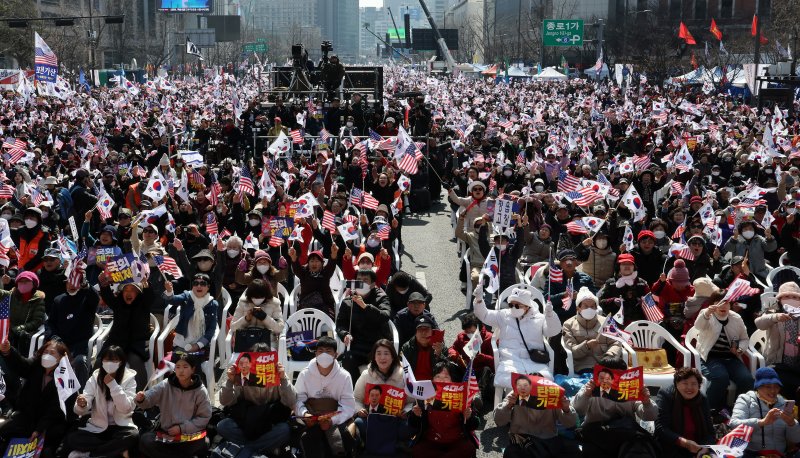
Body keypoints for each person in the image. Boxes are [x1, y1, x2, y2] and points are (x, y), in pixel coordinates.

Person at [217, 343, 295, 458]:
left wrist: (283, 379)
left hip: (270, 423)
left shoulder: (278, 372)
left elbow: (291, 401)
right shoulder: (242, 373)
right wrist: (230, 380)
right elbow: (225, 401)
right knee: (223, 426)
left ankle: (246, 450)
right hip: (246, 422)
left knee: (285, 430)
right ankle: (260, 450)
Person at [473, 285, 560, 386]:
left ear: (527, 306)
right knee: (511, 380)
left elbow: (553, 331)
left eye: (517, 305)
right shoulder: (504, 315)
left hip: (534, 361)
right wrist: (479, 300)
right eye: (511, 305)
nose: (513, 308)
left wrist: (550, 316)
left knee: (543, 381)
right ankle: (509, 401)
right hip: (510, 360)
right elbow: (485, 315)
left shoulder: (539, 318)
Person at [0, 339, 74, 457]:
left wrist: (39, 429)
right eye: (45, 352)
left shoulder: (68, 378)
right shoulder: (36, 365)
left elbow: (56, 410)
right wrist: (9, 351)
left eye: (52, 353)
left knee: (46, 452)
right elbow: (22, 364)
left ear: (61, 358)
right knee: (5, 433)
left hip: (51, 424)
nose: (47, 355)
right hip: (28, 416)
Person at [573, 356, 659, 457]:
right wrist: (586, 394)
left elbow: (651, 416)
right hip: (597, 434)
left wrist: (646, 402)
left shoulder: (631, 388)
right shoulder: (592, 387)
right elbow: (577, 409)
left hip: (624, 434)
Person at [66, 345, 139, 458]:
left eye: (114, 360)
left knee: (132, 436)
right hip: (98, 427)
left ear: (121, 362)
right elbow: (83, 404)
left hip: (120, 427)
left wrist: (113, 385)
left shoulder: (129, 378)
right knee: (72, 439)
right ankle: (115, 450)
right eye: (106, 359)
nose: (109, 363)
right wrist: (82, 404)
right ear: (102, 361)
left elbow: (126, 408)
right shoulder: (95, 377)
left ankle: (90, 454)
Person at [135, 352, 212, 458]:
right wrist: (142, 399)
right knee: (146, 440)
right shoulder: (166, 384)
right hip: (166, 433)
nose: (181, 370)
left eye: (185, 367)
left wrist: (181, 428)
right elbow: (150, 398)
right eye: (178, 367)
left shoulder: (200, 391)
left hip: (188, 435)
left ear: (193, 369)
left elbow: (204, 417)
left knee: (203, 442)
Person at [292, 336, 357, 458]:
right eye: (320, 351)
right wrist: (305, 414)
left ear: (335, 354)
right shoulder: (305, 374)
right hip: (311, 418)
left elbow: (348, 407)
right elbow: (298, 399)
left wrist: (332, 420)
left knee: (341, 441)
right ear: (315, 354)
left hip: (334, 417)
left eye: (328, 351)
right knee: (309, 440)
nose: (324, 355)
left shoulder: (344, 376)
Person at [690, 298, 754, 410]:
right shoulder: (706, 314)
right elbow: (698, 326)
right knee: (720, 378)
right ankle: (709, 412)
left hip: (731, 358)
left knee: (747, 379)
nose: (723, 306)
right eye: (719, 302)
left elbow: (744, 339)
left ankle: (739, 410)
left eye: (727, 303)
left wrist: (739, 350)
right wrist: (707, 313)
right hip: (709, 357)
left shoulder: (736, 318)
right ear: (713, 304)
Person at [494, 375, 579, 458]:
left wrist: (566, 409)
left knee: (574, 450)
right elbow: (498, 420)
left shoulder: (551, 394)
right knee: (512, 453)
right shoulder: (515, 393)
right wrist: (508, 405)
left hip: (548, 441)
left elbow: (571, 423)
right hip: (523, 441)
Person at [409, 361, 479, 458]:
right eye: (438, 376)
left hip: (456, 441)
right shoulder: (423, 395)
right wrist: (415, 415)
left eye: (446, 377)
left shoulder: (463, 396)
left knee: (468, 449)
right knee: (417, 451)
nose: (441, 380)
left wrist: (469, 416)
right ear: (432, 379)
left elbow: (475, 424)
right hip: (430, 441)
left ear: (452, 380)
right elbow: (412, 424)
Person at [97, 273, 153, 390]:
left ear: (138, 293)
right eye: (126, 289)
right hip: (116, 342)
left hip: (136, 344)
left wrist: (146, 284)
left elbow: (150, 295)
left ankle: (142, 397)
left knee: (135, 361)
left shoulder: (144, 303)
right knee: (100, 361)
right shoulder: (118, 303)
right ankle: (95, 393)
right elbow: (107, 296)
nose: (128, 293)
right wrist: (103, 283)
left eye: (132, 290)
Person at [336, 269, 392, 383]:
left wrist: (365, 307)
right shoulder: (347, 302)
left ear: (372, 284)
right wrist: (345, 334)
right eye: (358, 280)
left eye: (365, 280)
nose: (361, 283)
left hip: (377, 344)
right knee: (347, 360)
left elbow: (385, 316)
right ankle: (356, 390)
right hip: (357, 345)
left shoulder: (382, 297)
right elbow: (341, 324)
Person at [729, 367, 800, 458]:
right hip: (752, 454)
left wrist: (792, 424)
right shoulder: (746, 399)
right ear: (758, 387)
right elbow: (734, 424)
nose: (773, 391)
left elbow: (796, 439)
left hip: (780, 455)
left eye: (776, 386)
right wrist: (762, 422)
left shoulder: (783, 404)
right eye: (768, 386)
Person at [352, 340, 412, 443]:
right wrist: (359, 410)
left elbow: (411, 401)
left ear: (393, 356)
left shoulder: (404, 375)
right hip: (373, 420)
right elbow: (356, 399)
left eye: (386, 353)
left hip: (395, 420)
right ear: (374, 357)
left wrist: (406, 411)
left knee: (408, 426)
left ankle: (395, 446)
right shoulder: (366, 374)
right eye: (378, 353)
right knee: (359, 423)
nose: (382, 357)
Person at [45, 273, 98, 385]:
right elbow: (50, 323)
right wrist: (54, 337)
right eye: (69, 282)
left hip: (80, 345)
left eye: (75, 282)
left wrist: (85, 284)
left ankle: (82, 397)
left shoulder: (87, 297)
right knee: (45, 359)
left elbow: (95, 299)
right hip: (60, 344)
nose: (71, 285)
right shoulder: (59, 300)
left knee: (79, 362)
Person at [654, 367, 715, 458]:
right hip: (671, 448)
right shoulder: (666, 396)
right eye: (685, 383)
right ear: (676, 384)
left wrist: (704, 448)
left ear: (699, 385)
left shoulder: (702, 399)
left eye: (694, 384)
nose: (689, 387)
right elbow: (661, 428)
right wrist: (684, 443)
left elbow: (710, 432)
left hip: (697, 449)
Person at [562, 287, 624, 373]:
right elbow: (572, 351)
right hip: (583, 366)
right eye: (586, 306)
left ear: (596, 308)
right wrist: (586, 345)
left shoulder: (606, 321)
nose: (589, 309)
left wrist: (609, 356)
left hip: (606, 365)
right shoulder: (568, 324)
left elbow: (616, 343)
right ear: (578, 308)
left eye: (592, 306)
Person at [754, 282, 800, 398]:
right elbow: (759, 323)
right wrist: (775, 317)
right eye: (787, 296)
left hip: (796, 364)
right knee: (789, 384)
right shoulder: (773, 312)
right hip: (777, 363)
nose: (791, 299)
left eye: (794, 297)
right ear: (780, 299)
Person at [163, 273, 219, 361]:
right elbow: (172, 300)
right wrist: (169, 291)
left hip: (201, 346)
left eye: (203, 284)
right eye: (196, 283)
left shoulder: (213, 304)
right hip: (181, 344)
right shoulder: (187, 296)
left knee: (194, 367)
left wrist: (198, 345)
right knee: (178, 365)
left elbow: (211, 329)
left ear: (208, 287)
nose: (199, 286)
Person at [229, 279, 284, 351]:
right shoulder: (243, 302)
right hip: (245, 342)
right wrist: (246, 319)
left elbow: (279, 328)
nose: (257, 299)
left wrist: (264, 317)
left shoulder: (274, 303)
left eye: (260, 297)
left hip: (268, 342)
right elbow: (233, 327)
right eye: (254, 297)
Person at [598, 253, 651, 325]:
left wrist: (643, 302)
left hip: (638, 324)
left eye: (630, 264)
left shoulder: (642, 283)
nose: (627, 266)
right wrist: (613, 301)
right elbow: (600, 302)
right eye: (623, 264)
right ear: (618, 266)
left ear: (634, 267)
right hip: (615, 324)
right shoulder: (610, 283)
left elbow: (651, 304)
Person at [290, 246, 339, 318]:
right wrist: (294, 257)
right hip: (306, 308)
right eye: (312, 261)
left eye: (317, 261)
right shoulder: (303, 273)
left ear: (322, 263)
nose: (314, 264)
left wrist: (334, 253)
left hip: (324, 308)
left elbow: (332, 264)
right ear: (308, 263)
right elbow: (296, 268)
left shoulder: (326, 273)